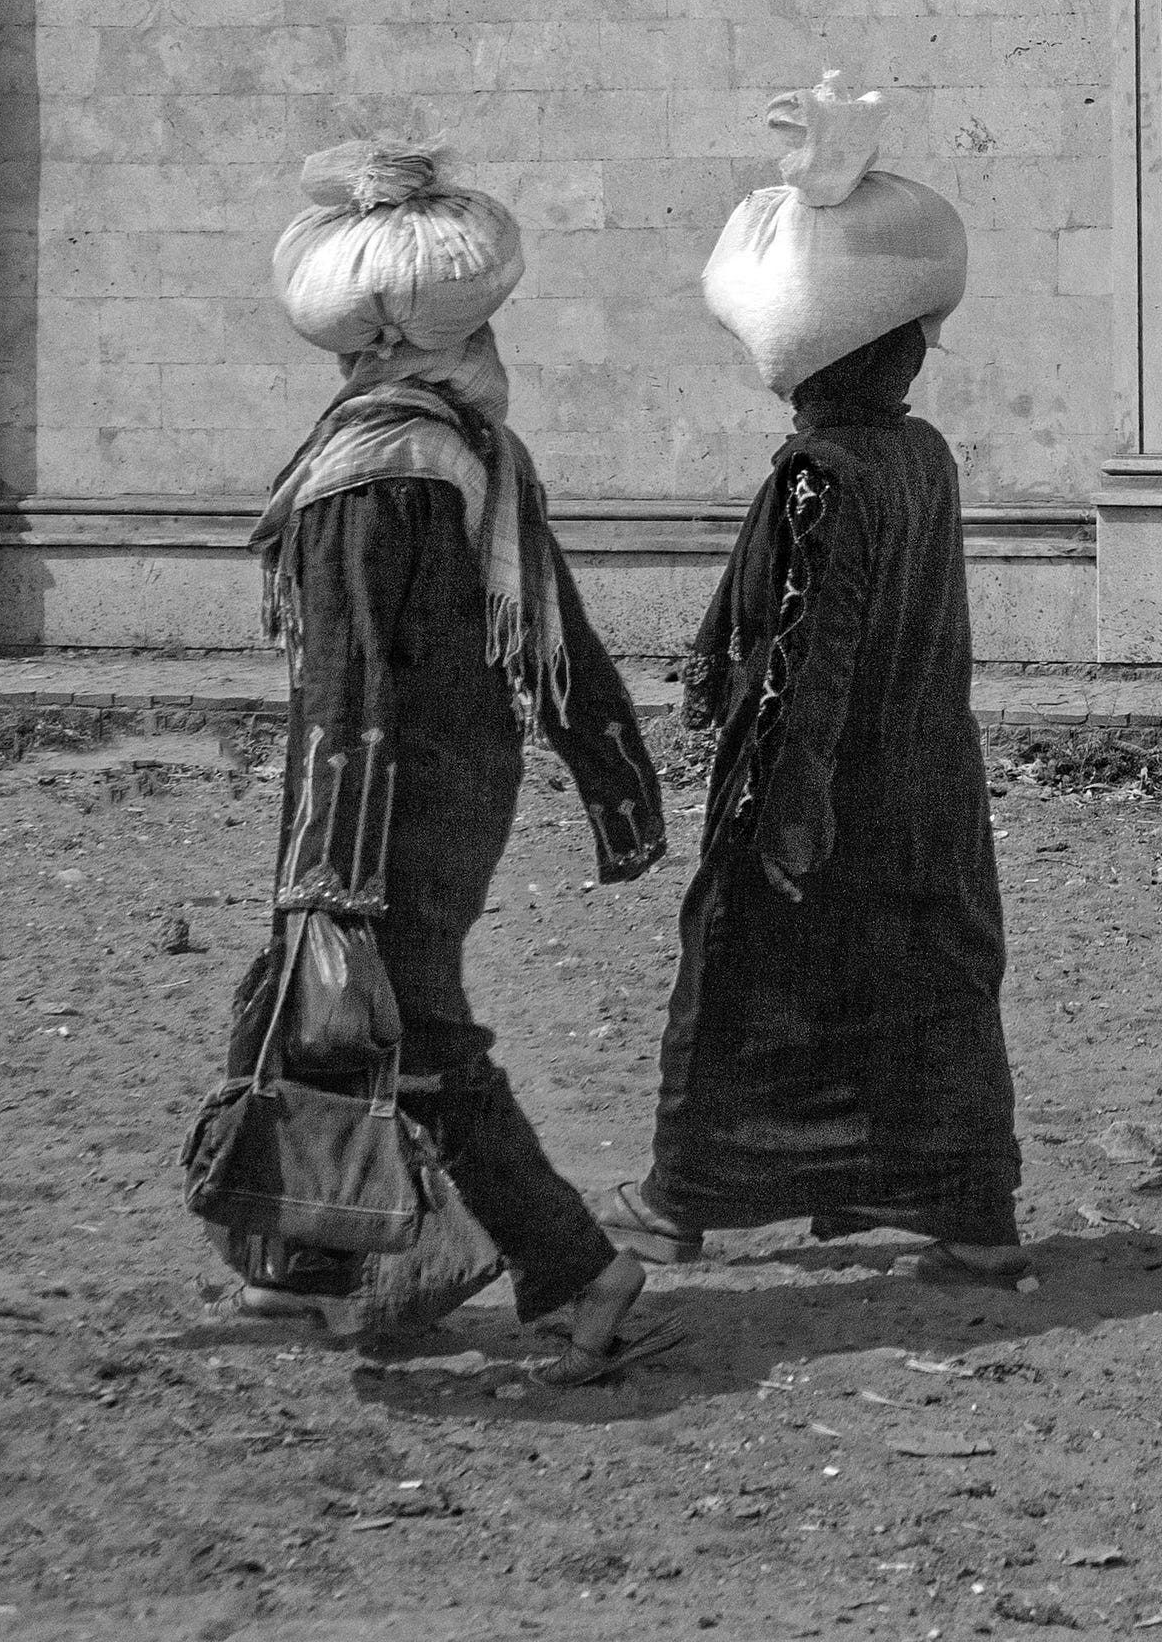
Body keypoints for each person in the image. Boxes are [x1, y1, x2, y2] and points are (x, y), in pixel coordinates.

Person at [592, 80, 1026, 1283]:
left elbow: (801, 657)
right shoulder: (919, 456)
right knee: (931, 989)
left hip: (822, 786)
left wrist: (778, 807)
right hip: (928, 787)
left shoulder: (818, 475)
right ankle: (971, 1211)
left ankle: (677, 1200)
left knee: (735, 974)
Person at [231, 315, 666, 1381]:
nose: (344, 367)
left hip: (384, 800)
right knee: (319, 1009)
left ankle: (576, 1269)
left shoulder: (373, 467)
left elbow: (350, 667)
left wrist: (327, 863)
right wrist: (619, 787)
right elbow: (563, 641)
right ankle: (310, 1265)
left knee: (401, 1026)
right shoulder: (476, 449)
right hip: (458, 786)